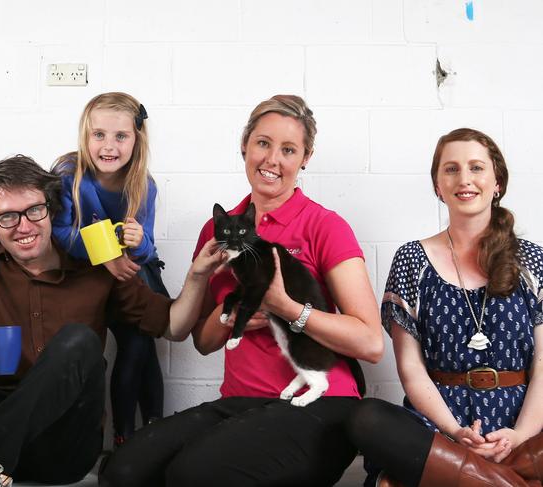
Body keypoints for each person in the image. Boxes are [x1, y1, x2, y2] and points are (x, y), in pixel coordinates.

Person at [101, 95, 384, 487]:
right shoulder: (219, 232)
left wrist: (287, 307)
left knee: (192, 476)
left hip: (320, 403)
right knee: (122, 473)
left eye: (289, 150)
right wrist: (229, 316)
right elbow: (202, 341)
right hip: (240, 403)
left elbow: (371, 344)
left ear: (305, 157)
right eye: (263, 143)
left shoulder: (325, 226)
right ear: (244, 146)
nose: (272, 160)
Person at [0, 155, 224, 486]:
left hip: (63, 447)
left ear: (51, 209)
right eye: (8, 217)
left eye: (34, 210)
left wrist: (197, 276)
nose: (24, 226)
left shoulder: (97, 265)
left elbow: (173, 327)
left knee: (78, 341)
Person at [347, 128, 543, 487]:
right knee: (366, 417)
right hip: (439, 425)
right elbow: (410, 367)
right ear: (437, 185)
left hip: (523, 425)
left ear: (497, 181)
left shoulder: (532, 259)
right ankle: (510, 482)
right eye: (451, 169)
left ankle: (472, 478)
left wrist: (518, 435)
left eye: (476, 168)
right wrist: (454, 431)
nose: (464, 179)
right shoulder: (412, 259)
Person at [51, 92, 167, 447]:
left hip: (130, 276)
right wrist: (106, 255)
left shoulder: (143, 185)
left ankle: (143, 436)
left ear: (137, 139)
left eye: (121, 136)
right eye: (98, 135)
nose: (109, 146)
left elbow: (146, 248)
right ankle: (125, 437)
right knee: (127, 346)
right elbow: (61, 232)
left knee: (140, 348)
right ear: (86, 137)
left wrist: (137, 241)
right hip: (86, 276)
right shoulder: (69, 174)